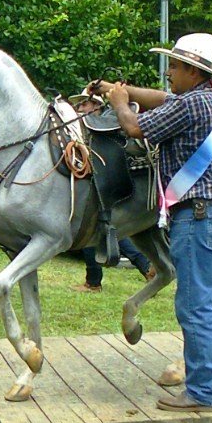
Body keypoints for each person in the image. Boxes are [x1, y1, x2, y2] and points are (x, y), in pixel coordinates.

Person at [90, 33, 212, 413]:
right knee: (209, 302)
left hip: (197, 214)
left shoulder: (191, 105)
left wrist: (122, 103)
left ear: (193, 70)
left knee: (192, 306)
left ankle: (203, 392)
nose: (169, 72)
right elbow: (162, 98)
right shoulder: (208, 99)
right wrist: (117, 89)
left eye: (174, 66)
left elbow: (135, 128)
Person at [66, 90, 154, 291]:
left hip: (101, 187)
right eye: (78, 105)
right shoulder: (86, 131)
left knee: (93, 230)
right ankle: (145, 266)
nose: (79, 109)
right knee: (111, 231)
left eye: (84, 104)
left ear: (96, 106)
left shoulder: (103, 133)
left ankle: (93, 281)